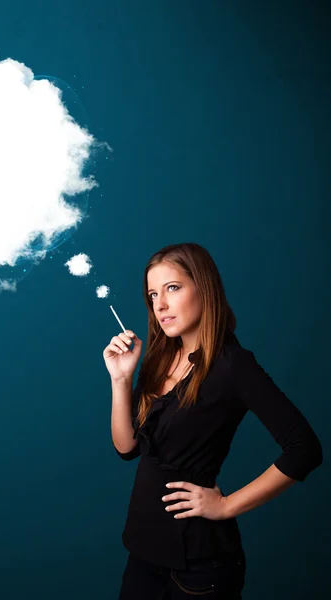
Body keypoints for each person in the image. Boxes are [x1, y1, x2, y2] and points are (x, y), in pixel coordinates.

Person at [103, 242, 323, 599]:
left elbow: (305, 449)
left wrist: (226, 505)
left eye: (172, 288)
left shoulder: (233, 364)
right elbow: (127, 449)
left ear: (203, 288)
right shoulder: (160, 358)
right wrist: (120, 379)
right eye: (152, 294)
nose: (160, 305)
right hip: (143, 554)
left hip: (199, 568)